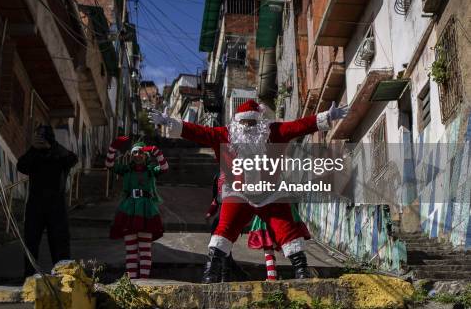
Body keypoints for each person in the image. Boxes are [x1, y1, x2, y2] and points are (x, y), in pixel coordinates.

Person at [149, 99, 348, 282]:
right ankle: (211, 273)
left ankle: (302, 270)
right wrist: (170, 122)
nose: (248, 128)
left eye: (252, 123)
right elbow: (197, 131)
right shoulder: (224, 134)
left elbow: (299, 126)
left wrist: (327, 116)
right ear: (237, 123)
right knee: (224, 229)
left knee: (287, 229)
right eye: (244, 124)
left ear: (259, 122)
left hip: (270, 192)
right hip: (238, 193)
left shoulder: (273, 132)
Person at [17, 125, 78, 277]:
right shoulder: (34, 155)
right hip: (36, 204)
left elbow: (72, 159)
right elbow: (21, 166)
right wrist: (33, 149)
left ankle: (64, 276)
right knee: (31, 241)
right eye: (38, 136)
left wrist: (52, 146)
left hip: (56, 205)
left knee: (60, 242)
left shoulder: (59, 154)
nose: (40, 140)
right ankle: (29, 275)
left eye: (42, 136)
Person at [106, 136, 169, 279]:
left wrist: (156, 152)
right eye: (134, 152)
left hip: (147, 210)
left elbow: (165, 168)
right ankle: (132, 281)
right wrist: (112, 148)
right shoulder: (126, 170)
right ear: (131, 155)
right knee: (131, 250)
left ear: (146, 155)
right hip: (128, 211)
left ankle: (144, 281)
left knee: (145, 250)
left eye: (140, 152)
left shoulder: (151, 170)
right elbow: (109, 165)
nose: (137, 155)